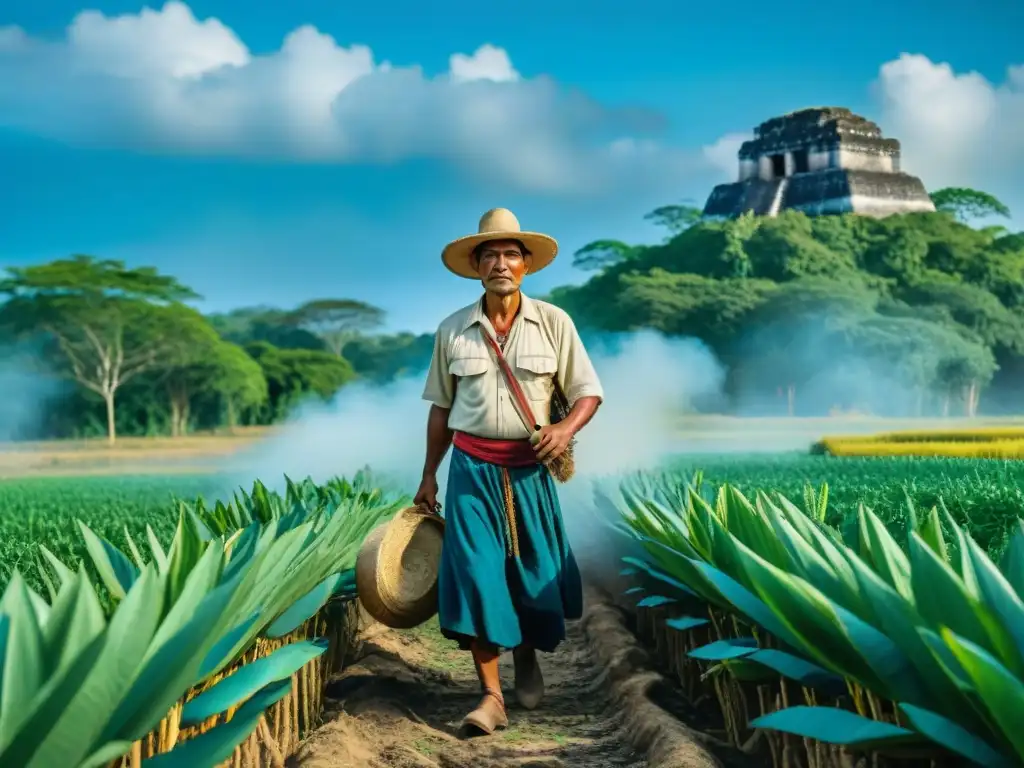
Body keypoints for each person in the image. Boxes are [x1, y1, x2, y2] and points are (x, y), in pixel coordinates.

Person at [414, 207, 604, 735]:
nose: (501, 263)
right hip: (472, 472)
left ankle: (526, 658)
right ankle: (491, 696)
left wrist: (564, 432)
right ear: (476, 266)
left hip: (530, 473)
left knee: (531, 574)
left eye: (511, 254)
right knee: (478, 575)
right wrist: (430, 475)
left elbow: (589, 393)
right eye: (491, 254)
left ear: (526, 266)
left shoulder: (555, 324)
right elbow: (440, 411)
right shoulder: (453, 330)